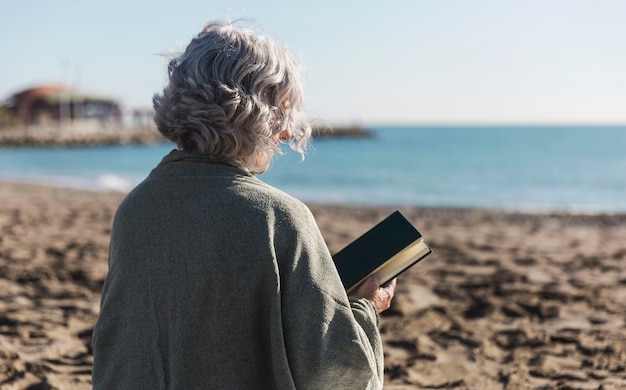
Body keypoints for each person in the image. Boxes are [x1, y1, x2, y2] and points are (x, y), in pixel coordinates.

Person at [92, 21, 396, 389]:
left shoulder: (136, 209)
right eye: (282, 112)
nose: (285, 132)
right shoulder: (278, 219)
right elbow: (335, 376)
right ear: (255, 114)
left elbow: (120, 348)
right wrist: (365, 309)